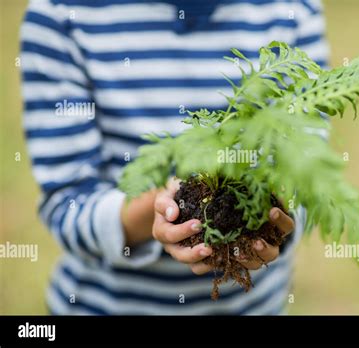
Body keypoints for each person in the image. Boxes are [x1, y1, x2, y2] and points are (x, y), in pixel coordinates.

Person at [20, 0, 329, 314]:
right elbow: (68, 202)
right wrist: (160, 209)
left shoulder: (293, 9)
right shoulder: (61, 14)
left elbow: (310, 174)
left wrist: (275, 216)